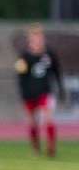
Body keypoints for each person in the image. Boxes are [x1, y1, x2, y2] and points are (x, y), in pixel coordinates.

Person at [16, 23, 64, 157]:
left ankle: (51, 147)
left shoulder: (49, 54)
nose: (38, 41)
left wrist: (61, 89)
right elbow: (20, 76)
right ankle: (36, 147)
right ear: (30, 40)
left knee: (48, 118)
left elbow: (57, 72)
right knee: (32, 122)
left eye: (40, 38)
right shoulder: (24, 56)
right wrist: (22, 93)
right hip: (29, 93)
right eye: (35, 38)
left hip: (45, 91)